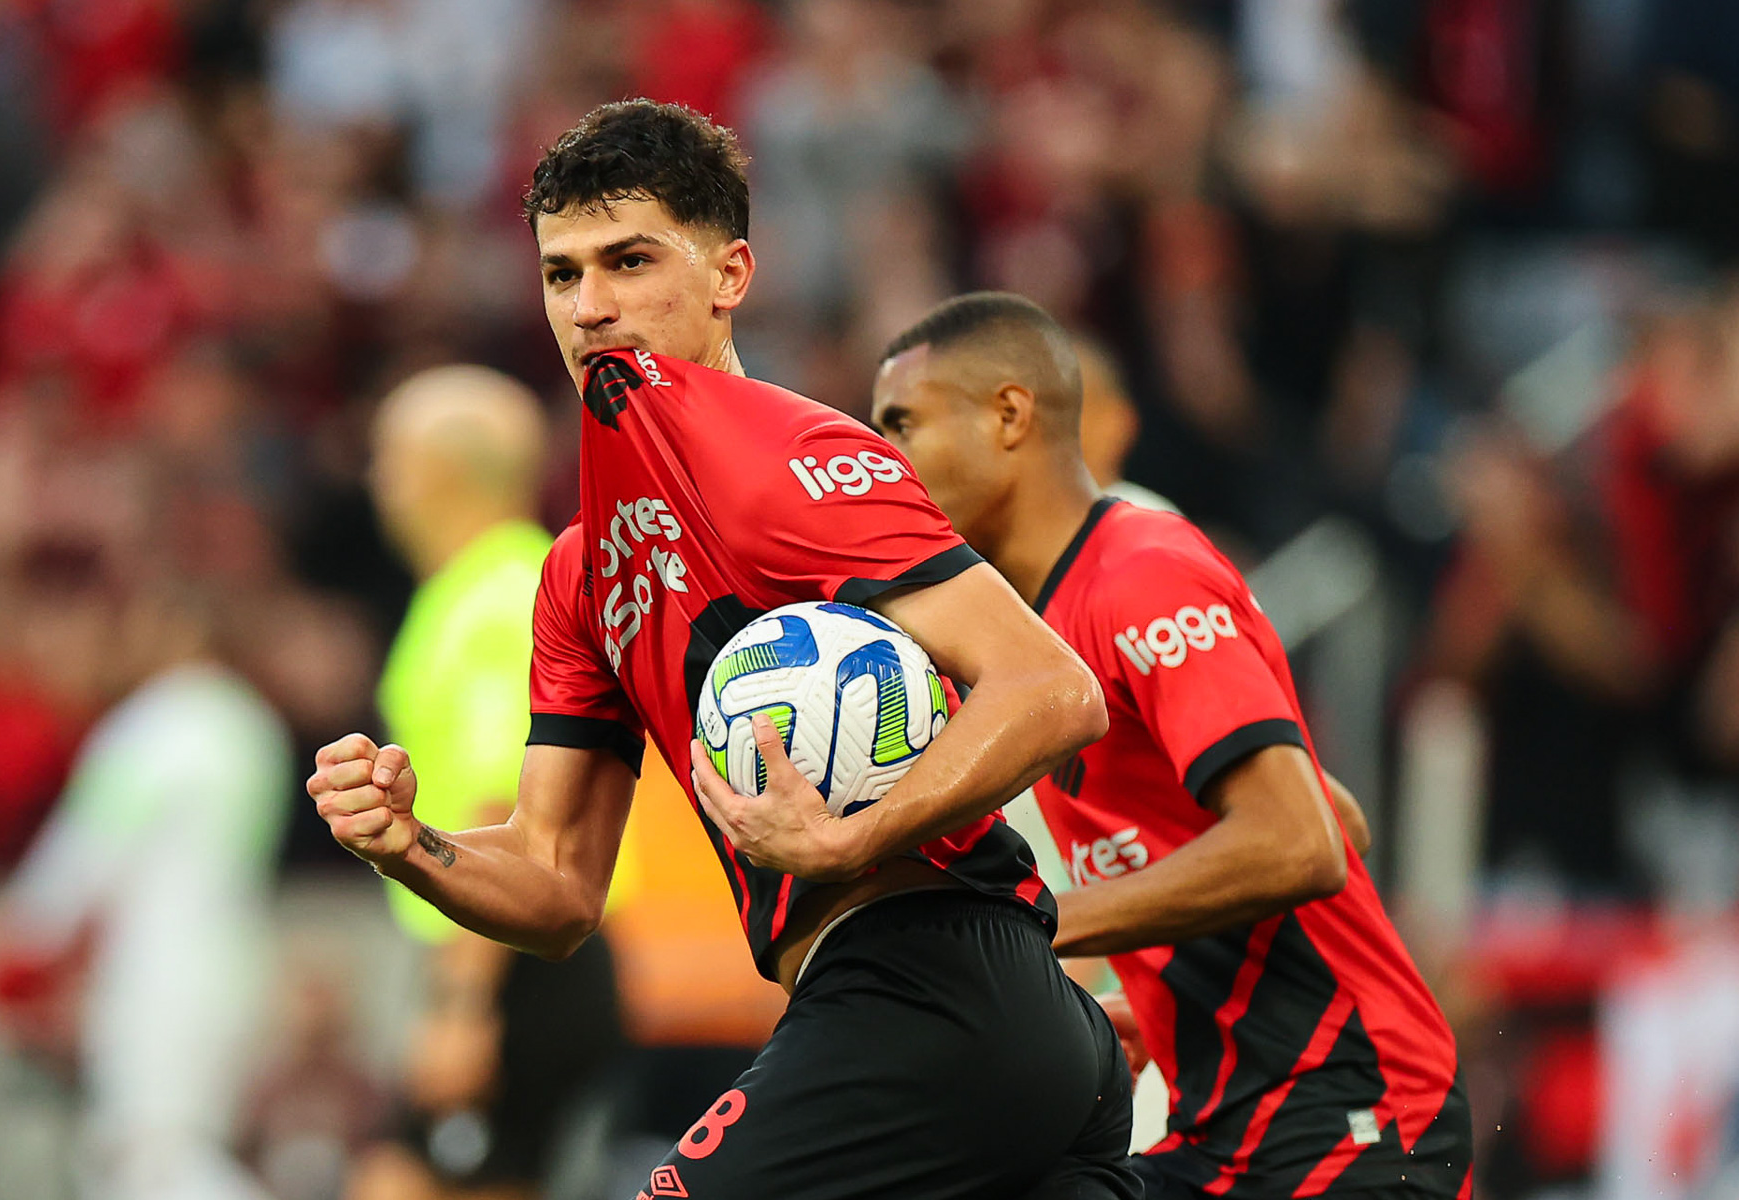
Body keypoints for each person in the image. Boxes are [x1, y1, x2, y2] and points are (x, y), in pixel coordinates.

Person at [306, 100, 1141, 1200]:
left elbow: (1054, 689)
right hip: (947, 1020)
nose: (590, 308)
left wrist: (852, 837)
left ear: (730, 274)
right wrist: (412, 845)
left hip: (933, 989)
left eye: (630, 261)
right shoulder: (582, 572)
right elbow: (558, 889)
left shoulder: (793, 459)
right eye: (561, 275)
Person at [869, 292, 1470, 1200]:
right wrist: (1161, 997)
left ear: (1009, 415)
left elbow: (1301, 841)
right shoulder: (1045, 625)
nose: (883, 459)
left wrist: (1032, 924)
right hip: (1229, 1124)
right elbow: (1334, 814)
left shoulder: (1140, 575)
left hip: (1352, 1117)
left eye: (902, 423)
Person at [360, 364, 629, 1198]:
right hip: (500, 942)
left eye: (389, 457)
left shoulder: (501, 601)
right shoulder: (488, 586)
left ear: (440, 470)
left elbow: (502, 797)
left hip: (512, 950)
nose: (377, 480)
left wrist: (462, 1007)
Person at [0, 542, 291, 1200]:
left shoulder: (155, 724)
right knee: (179, 1150)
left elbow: (81, 859)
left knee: (153, 1162)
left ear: (176, 629)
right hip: (238, 967)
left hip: (158, 976)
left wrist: (17, 945)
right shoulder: (255, 726)